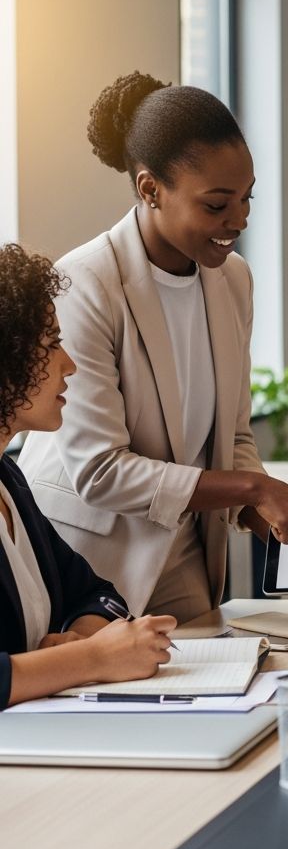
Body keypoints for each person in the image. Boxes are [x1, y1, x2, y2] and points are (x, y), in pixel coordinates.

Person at [19, 72, 288, 623]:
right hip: (87, 561)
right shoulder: (86, 282)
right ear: (150, 189)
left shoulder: (232, 280)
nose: (240, 221)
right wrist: (256, 487)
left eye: (247, 199)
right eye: (217, 205)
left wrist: (270, 519)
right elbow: (100, 471)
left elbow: (234, 436)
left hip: (184, 555)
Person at [0, 243, 175, 708]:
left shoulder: (9, 481)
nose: (69, 364)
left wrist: (78, 638)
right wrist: (92, 658)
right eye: (52, 344)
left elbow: (99, 594)